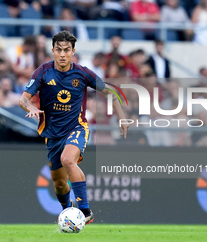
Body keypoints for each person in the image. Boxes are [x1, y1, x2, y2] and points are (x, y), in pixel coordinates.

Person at [19, 31, 129, 224]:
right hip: (52, 134)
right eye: (59, 50)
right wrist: (31, 107)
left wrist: (122, 117)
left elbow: (109, 90)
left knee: (68, 160)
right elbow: (23, 98)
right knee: (60, 184)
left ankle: (85, 212)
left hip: (76, 128)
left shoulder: (82, 73)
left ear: (73, 51)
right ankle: (68, 213)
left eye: (67, 50)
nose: (62, 54)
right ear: (52, 51)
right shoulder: (43, 72)